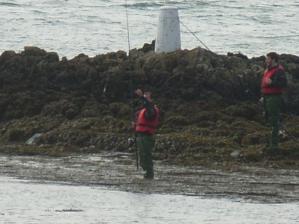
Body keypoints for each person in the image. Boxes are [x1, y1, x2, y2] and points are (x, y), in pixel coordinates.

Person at [260, 52, 287, 153]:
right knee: (267, 117)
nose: (266, 61)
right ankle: (271, 142)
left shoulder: (279, 71)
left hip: (274, 98)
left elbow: (283, 83)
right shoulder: (268, 70)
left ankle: (274, 145)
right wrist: (263, 96)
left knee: (274, 120)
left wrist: (272, 83)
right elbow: (264, 84)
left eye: (268, 59)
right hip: (267, 97)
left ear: (273, 60)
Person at [133, 89, 159, 179]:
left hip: (146, 136)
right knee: (143, 157)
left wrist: (141, 97)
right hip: (141, 136)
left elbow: (149, 108)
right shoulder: (145, 109)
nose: (145, 97)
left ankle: (149, 175)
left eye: (148, 96)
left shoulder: (152, 110)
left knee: (146, 157)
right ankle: (147, 175)